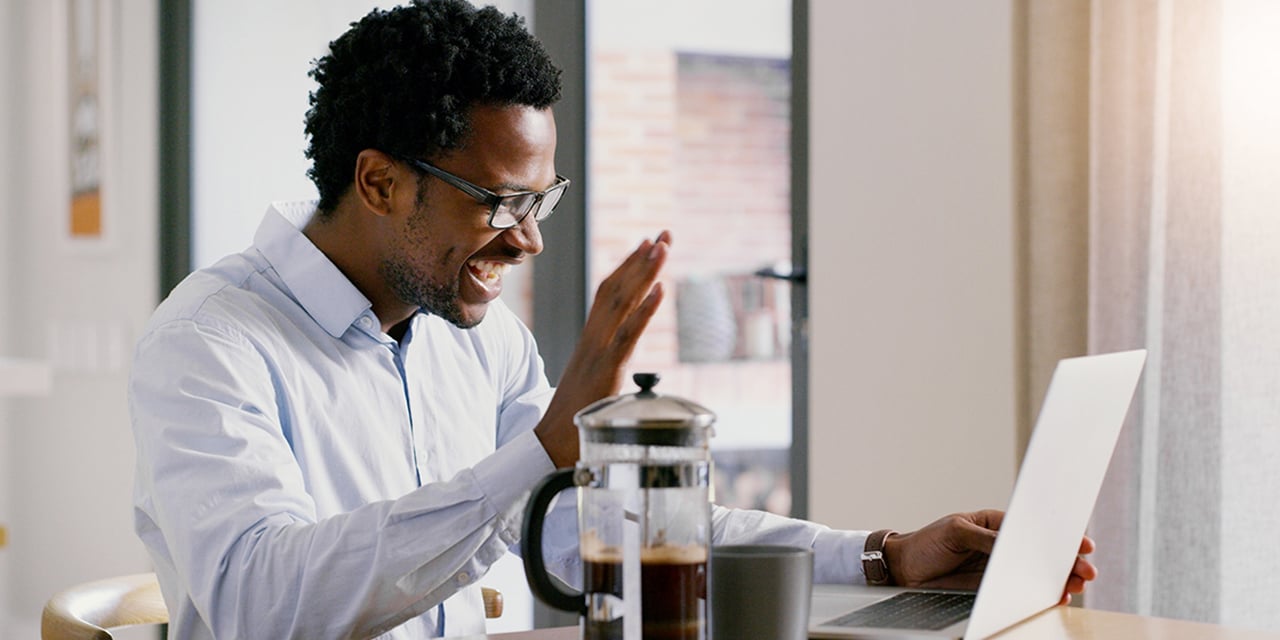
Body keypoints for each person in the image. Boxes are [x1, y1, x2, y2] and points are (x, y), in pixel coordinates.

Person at [128, 2, 1096, 638]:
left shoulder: (482, 344)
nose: (526, 242)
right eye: (497, 203)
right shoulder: (210, 343)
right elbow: (262, 602)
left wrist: (883, 553)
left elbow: (583, 530)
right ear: (378, 181)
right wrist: (547, 444)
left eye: (538, 203)